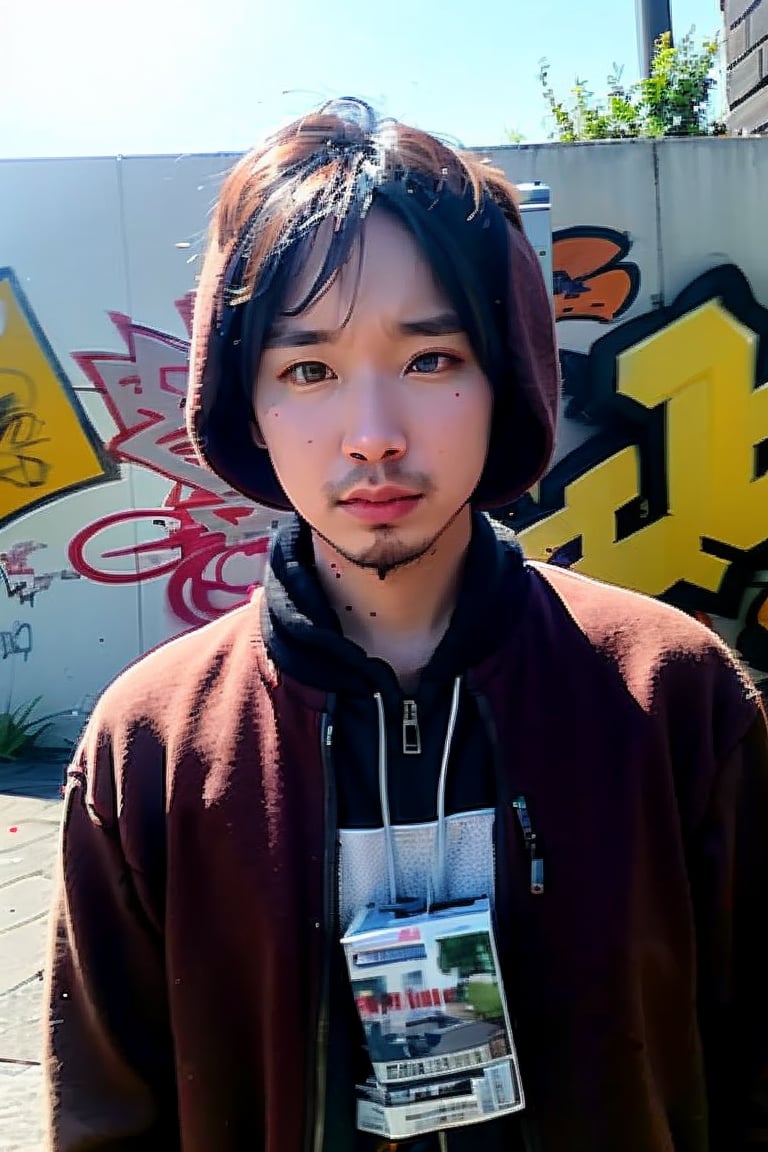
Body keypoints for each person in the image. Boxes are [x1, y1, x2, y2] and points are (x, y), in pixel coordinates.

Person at [43, 99, 768, 1152]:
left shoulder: (672, 696)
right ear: (245, 405)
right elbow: (110, 1117)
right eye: (309, 370)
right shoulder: (151, 746)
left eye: (431, 360)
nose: (373, 436)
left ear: (507, 377)